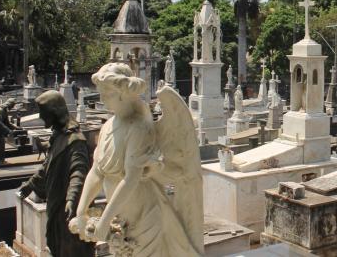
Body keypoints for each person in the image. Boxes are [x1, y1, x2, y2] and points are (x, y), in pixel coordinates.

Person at [70, 63, 203, 256]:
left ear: (123, 93)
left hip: (145, 218)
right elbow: (97, 172)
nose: (102, 99)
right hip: (120, 219)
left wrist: (105, 220)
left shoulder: (139, 127)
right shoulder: (108, 126)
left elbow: (130, 179)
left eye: (107, 94)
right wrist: (81, 211)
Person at [18, 91, 93, 257]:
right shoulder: (59, 135)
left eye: (44, 114)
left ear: (54, 112)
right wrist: (31, 184)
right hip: (56, 203)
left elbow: (78, 172)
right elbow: (48, 165)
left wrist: (72, 198)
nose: (42, 118)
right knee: (58, 247)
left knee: (71, 249)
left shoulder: (75, 140)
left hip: (67, 209)